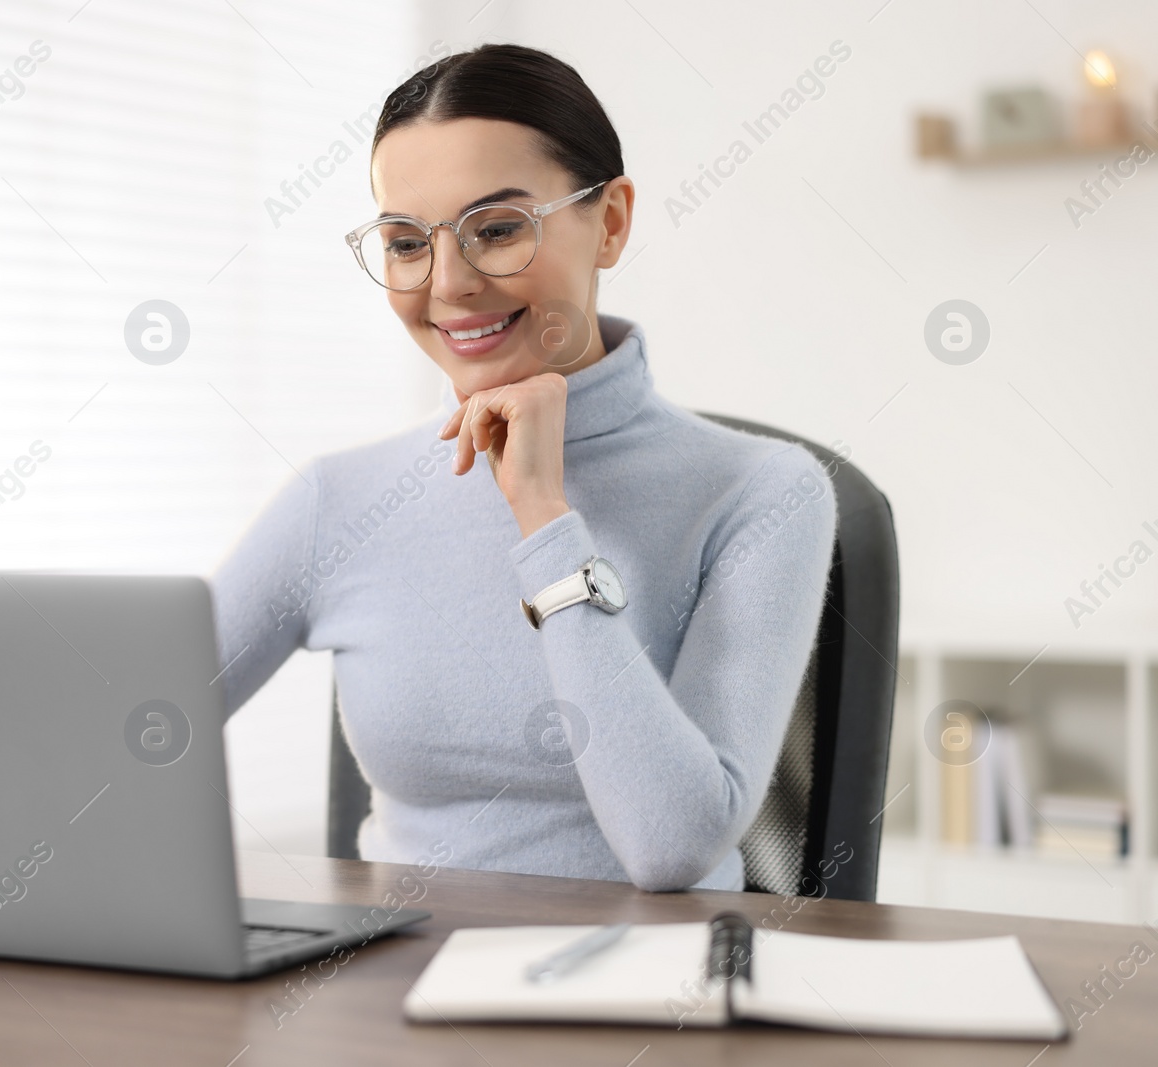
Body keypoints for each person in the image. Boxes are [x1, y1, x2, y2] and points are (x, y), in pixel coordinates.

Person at [210, 43, 836, 891]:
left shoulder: (763, 492)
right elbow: (120, 743)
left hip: (645, 999)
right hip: (390, 993)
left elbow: (672, 847)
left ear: (610, 221)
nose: (450, 283)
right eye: (405, 243)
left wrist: (544, 517)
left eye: (497, 230)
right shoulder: (338, 498)